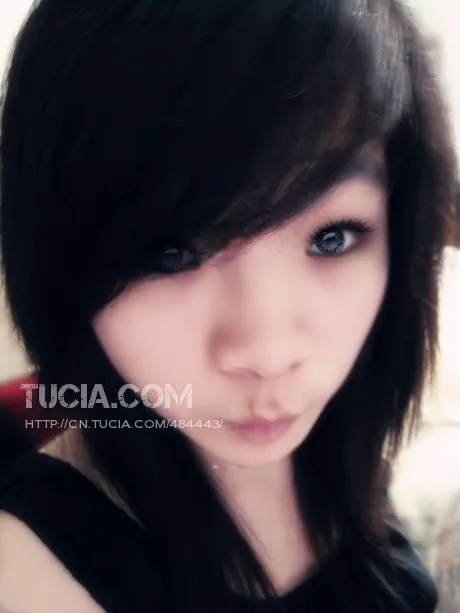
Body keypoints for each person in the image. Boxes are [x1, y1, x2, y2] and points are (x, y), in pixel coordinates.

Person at [0, 1, 457, 611]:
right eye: (169, 254)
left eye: (332, 238)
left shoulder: (338, 443)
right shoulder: (29, 573)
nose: (270, 352)